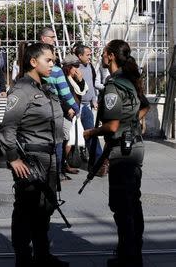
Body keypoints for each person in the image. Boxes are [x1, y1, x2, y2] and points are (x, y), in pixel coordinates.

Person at [0, 42, 68, 267]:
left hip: (49, 156)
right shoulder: (22, 90)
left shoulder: (45, 87)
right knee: (25, 210)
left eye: (53, 60)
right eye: (48, 60)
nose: (52, 64)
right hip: (31, 157)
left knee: (45, 208)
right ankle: (23, 258)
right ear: (32, 62)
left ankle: (42, 255)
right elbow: (8, 127)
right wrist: (13, 158)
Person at [84, 40, 150, 267]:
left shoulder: (114, 86)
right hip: (134, 146)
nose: (101, 56)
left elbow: (111, 126)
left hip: (122, 150)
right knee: (133, 201)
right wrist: (132, 123)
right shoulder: (129, 81)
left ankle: (127, 256)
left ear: (111, 56)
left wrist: (91, 132)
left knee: (122, 205)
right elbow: (145, 107)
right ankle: (134, 251)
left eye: (104, 53)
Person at [39, 27, 79, 181]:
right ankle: (56, 172)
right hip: (55, 111)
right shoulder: (55, 71)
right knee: (58, 142)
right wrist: (75, 107)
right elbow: (65, 93)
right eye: (50, 57)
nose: (53, 60)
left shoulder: (33, 69)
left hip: (38, 111)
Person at [74, 45, 103, 164]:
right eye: (88, 54)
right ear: (80, 56)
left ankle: (98, 161)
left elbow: (91, 85)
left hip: (87, 106)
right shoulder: (74, 68)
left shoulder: (89, 66)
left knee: (91, 133)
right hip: (77, 106)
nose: (90, 57)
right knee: (72, 137)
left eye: (90, 54)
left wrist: (94, 100)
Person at [61, 54, 88, 175]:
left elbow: (82, 91)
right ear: (68, 67)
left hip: (75, 112)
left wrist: (81, 80)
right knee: (67, 139)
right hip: (66, 112)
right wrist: (67, 108)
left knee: (71, 138)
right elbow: (61, 95)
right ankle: (63, 165)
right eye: (75, 66)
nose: (77, 69)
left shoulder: (75, 78)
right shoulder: (63, 78)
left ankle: (65, 164)